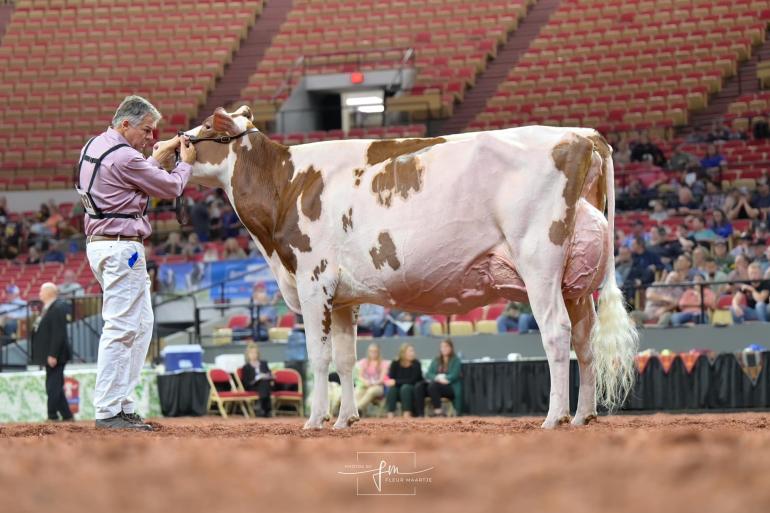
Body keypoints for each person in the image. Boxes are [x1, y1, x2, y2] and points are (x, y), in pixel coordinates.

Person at [80, 95, 195, 430]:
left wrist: (156, 157)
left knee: (141, 325)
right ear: (125, 124)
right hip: (120, 249)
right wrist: (184, 161)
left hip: (104, 245)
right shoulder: (127, 157)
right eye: (146, 130)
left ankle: (122, 404)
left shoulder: (96, 144)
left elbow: (130, 180)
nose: (150, 138)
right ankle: (108, 411)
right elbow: (172, 186)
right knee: (121, 328)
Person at [31, 283, 74, 422]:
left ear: (49, 292)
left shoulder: (57, 308)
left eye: (41, 291)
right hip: (51, 355)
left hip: (56, 356)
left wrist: (53, 354)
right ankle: (67, 415)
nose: (39, 294)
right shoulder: (49, 308)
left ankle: (52, 415)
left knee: (52, 386)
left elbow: (58, 334)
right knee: (55, 385)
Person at [415, 338, 462, 417]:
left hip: (449, 387)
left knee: (433, 385)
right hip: (434, 385)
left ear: (451, 348)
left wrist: (445, 377)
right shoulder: (436, 360)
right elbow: (428, 374)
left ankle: (438, 411)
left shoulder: (456, 360)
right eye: (442, 347)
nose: (444, 349)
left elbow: (455, 374)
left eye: (446, 346)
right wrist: (437, 377)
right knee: (419, 386)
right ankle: (420, 413)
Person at [385, 343, 423, 418]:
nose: (413, 353)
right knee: (392, 389)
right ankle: (390, 414)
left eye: (413, 351)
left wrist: (396, 382)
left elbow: (413, 380)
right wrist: (392, 382)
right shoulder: (395, 363)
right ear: (403, 353)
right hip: (398, 389)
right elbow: (392, 378)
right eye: (410, 351)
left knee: (405, 388)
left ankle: (407, 413)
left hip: (413, 388)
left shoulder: (416, 364)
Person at [353, 343, 389, 415]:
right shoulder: (364, 362)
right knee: (358, 391)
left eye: (375, 351)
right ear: (368, 352)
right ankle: (355, 410)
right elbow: (360, 376)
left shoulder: (383, 363)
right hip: (365, 384)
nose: (373, 353)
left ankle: (357, 409)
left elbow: (382, 379)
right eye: (371, 351)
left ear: (378, 352)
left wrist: (373, 384)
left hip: (378, 386)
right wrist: (365, 382)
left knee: (371, 391)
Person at [240, 342, 273, 417]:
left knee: (264, 382)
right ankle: (266, 408)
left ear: (258, 354)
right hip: (253, 386)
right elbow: (245, 382)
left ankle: (261, 407)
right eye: (251, 353)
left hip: (265, 384)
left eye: (255, 353)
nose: (253, 355)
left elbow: (269, 374)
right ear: (248, 354)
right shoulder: (246, 367)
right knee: (263, 384)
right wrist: (255, 380)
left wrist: (266, 376)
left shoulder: (264, 363)